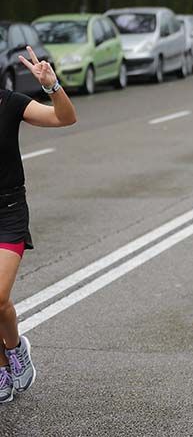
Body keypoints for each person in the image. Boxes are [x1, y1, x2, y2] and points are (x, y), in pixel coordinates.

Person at [0, 47, 77, 401]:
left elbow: (65, 118)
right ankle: (3, 369)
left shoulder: (10, 103)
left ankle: (15, 349)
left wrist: (52, 85)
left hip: (9, 212)